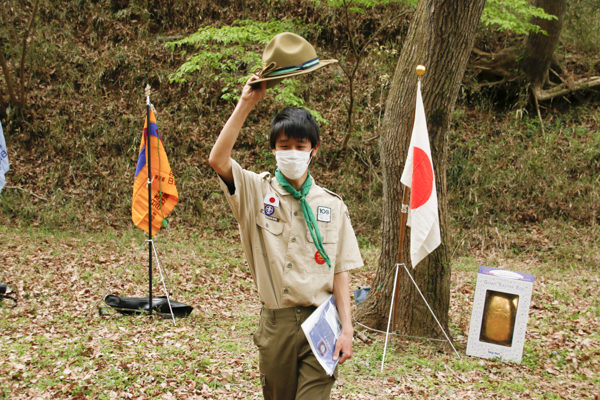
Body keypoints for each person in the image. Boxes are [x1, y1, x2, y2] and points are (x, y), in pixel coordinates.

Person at [208, 74, 364, 400]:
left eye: (299, 146)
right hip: (276, 325)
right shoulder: (256, 192)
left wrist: (347, 329)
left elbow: (340, 273)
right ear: (274, 150)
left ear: (314, 150)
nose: (292, 153)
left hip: (321, 322)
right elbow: (218, 160)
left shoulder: (332, 205)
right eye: (284, 147)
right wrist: (246, 102)